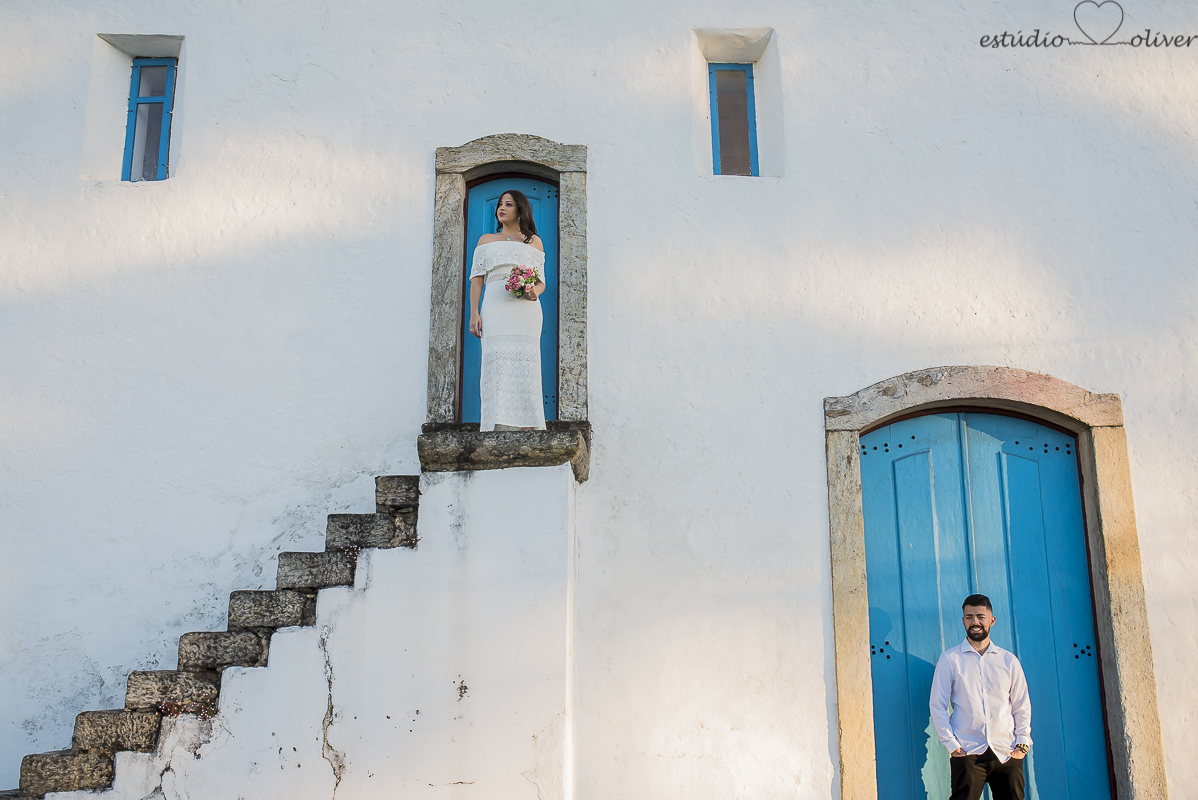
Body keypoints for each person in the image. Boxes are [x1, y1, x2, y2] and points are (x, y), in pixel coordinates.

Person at [929, 594, 1032, 800]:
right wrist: (953, 745)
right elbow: (937, 705)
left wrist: (1022, 743)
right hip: (968, 752)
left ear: (991, 620)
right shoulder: (950, 659)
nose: (975, 622)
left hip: (1006, 752)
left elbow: (1021, 705)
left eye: (980, 616)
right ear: (963, 621)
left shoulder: (1008, 660)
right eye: (969, 617)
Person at [467, 190, 547, 432]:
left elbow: (541, 281)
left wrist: (535, 292)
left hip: (525, 311)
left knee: (526, 360)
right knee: (497, 358)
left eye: (508, 204)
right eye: (500, 204)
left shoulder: (533, 241)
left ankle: (529, 425)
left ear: (520, 209)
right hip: (494, 307)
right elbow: (477, 279)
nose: (502, 208)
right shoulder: (486, 240)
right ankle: (496, 423)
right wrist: (474, 313)